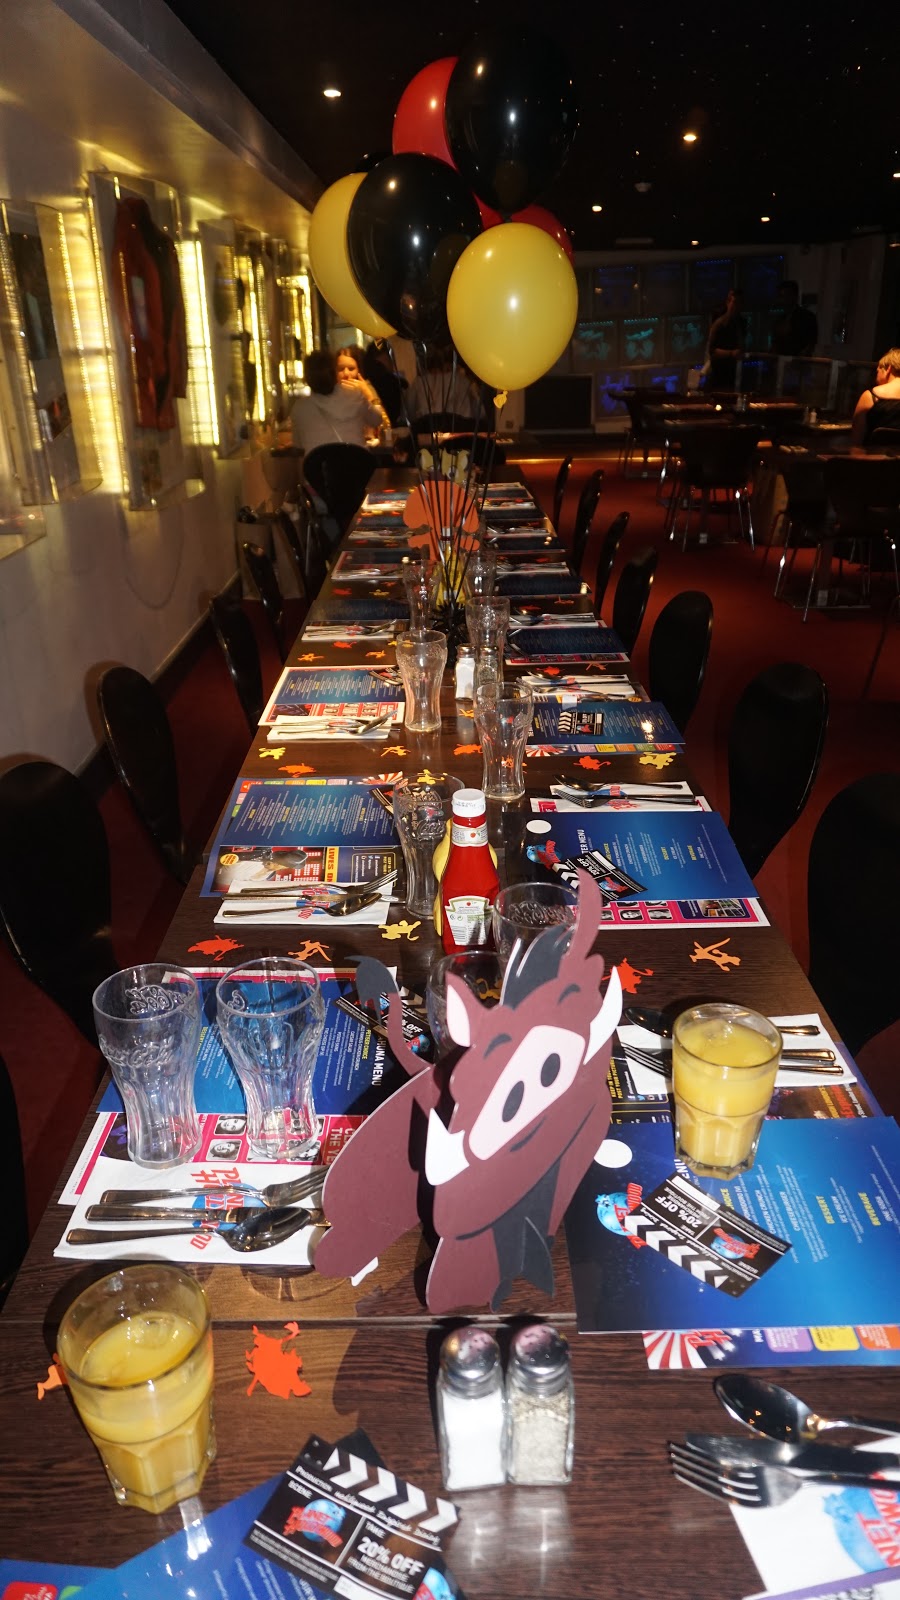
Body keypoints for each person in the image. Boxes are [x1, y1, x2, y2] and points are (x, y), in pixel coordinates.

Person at [289, 348, 385, 453]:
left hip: (319, 463)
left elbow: (298, 444)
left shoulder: (300, 408)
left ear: (307, 378)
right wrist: (372, 398)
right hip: (355, 461)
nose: (346, 373)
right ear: (334, 373)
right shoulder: (355, 396)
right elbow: (377, 420)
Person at [851, 350, 900, 446]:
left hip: (873, 455)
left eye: (878, 371)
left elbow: (856, 440)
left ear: (888, 369)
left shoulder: (871, 396)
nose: (876, 375)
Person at [705, 289, 746, 390]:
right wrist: (731, 353)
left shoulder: (741, 323)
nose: (737, 306)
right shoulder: (719, 324)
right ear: (728, 302)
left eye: (740, 303)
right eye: (735, 302)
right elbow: (712, 351)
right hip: (719, 373)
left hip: (734, 372)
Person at [771, 280, 818, 357]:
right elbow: (775, 342)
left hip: (799, 362)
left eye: (785, 296)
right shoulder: (779, 319)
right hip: (781, 361)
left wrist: (797, 360)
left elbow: (811, 344)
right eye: (780, 296)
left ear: (794, 296)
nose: (782, 300)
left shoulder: (807, 317)